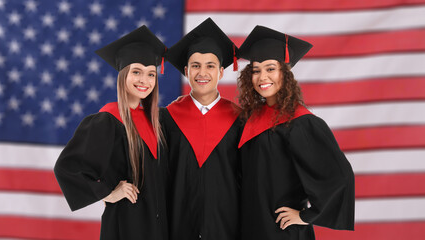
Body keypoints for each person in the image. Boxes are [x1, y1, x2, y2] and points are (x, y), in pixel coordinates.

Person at [236, 25, 355, 240]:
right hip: (250, 229)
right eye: (256, 70)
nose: (263, 77)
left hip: (282, 232)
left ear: (284, 73)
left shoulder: (300, 123)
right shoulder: (249, 119)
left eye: (270, 68)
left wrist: (307, 216)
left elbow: (340, 176)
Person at [54, 26, 168, 240]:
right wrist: (108, 193)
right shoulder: (109, 120)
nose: (144, 80)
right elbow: (66, 167)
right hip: (126, 224)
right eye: (136, 72)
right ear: (123, 74)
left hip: (159, 227)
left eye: (151, 74)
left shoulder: (158, 122)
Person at [160, 18, 241, 240]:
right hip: (177, 224)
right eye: (195, 66)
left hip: (228, 226)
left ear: (221, 72)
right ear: (186, 70)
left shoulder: (240, 120)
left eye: (210, 66)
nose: (202, 73)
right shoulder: (166, 118)